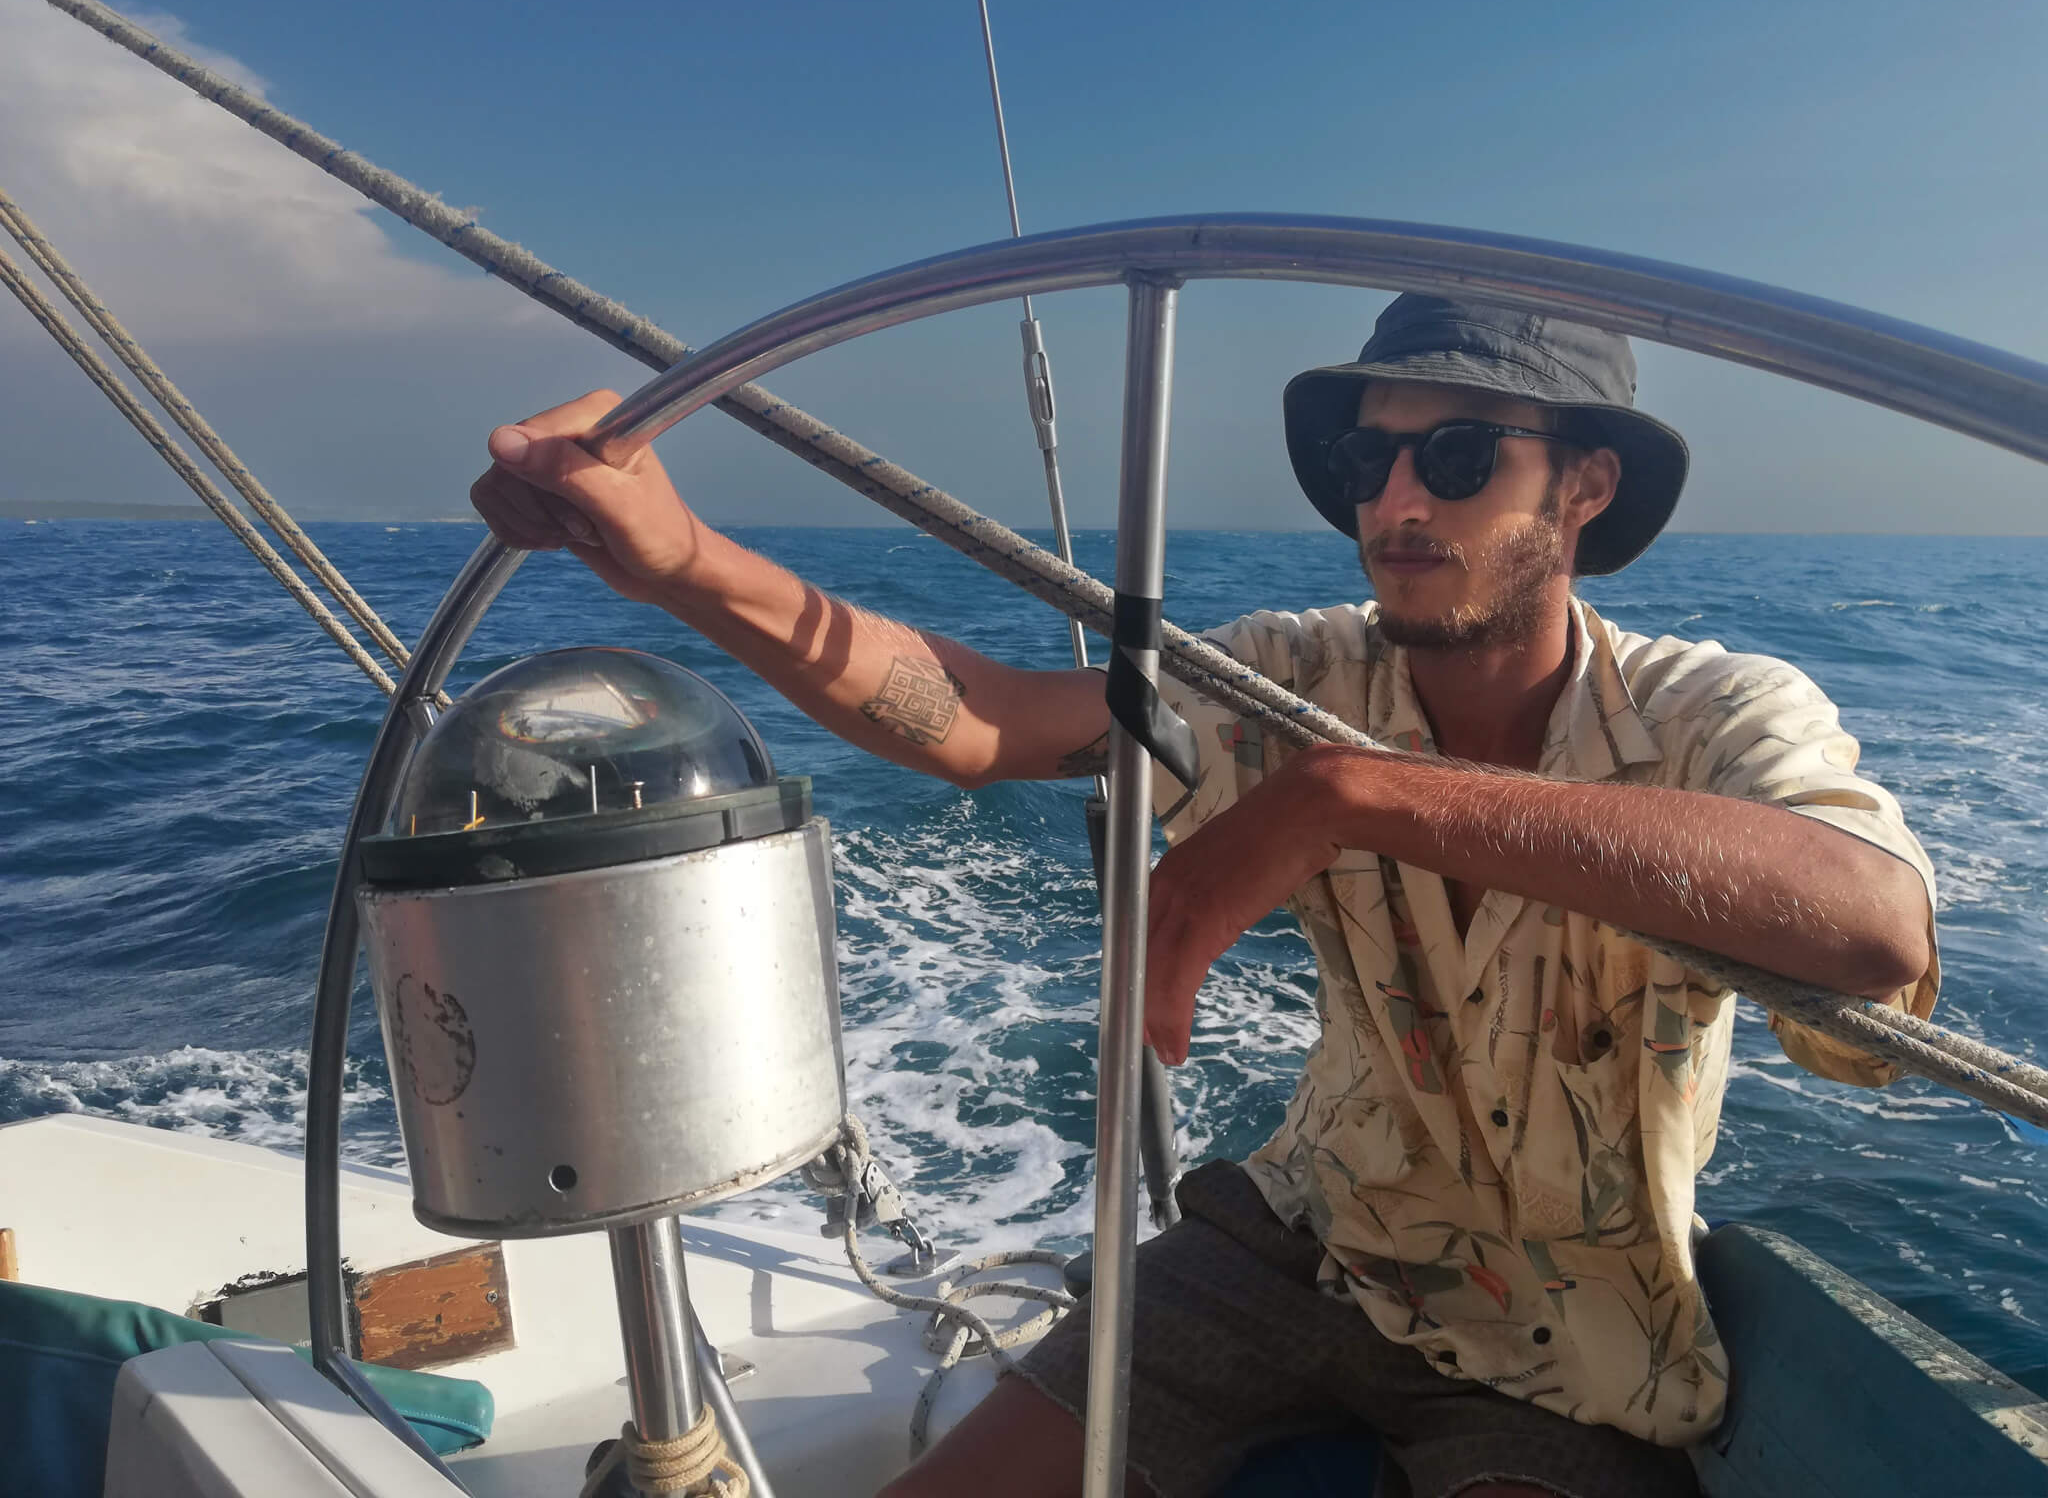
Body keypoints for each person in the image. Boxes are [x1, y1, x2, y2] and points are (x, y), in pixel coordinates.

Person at [471, 294, 1939, 1498]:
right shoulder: (1299, 675)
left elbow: (1873, 925)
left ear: (1588, 485)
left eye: (1463, 455)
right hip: (1297, 1244)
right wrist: (681, 566)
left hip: (1567, 1342)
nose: (1400, 503)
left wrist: (1347, 798)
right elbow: (988, 718)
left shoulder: (1711, 714)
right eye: (1372, 465)